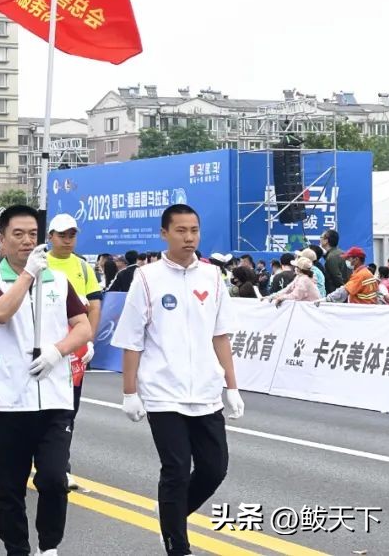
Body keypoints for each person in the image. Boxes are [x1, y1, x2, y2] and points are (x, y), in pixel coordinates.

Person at [112, 204, 243, 556]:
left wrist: (232, 387)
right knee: (176, 469)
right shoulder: (147, 278)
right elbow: (132, 339)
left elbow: (220, 335)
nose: (189, 237)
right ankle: (177, 546)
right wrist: (129, 392)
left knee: (214, 469)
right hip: (163, 392)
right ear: (164, 233)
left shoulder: (212, 276)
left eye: (194, 230)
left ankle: (171, 514)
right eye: (181, 230)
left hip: (205, 391)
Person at [0, 205, 92, 556]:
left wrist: (58, 351)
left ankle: (49, 547)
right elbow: (0, 313)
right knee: (10, 488)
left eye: (32, 235)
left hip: (54, 397)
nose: (27, 241)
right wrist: (27, 275)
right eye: (18, 234)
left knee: (54, 478)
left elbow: (83, 326)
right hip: (7, 399)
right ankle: (17, 549)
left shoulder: (58, 280)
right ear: (2, 240)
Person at [44, 214, 101, 491]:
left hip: (74, 350)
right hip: (45, 347)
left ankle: (60, 466)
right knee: (40, 408)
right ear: (50, 237)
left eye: (72, 235)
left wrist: (89, 339)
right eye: (62, 235)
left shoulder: (83, 268)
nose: (67, 240)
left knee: (68, 409)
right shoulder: (40, 264)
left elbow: (94, 305)